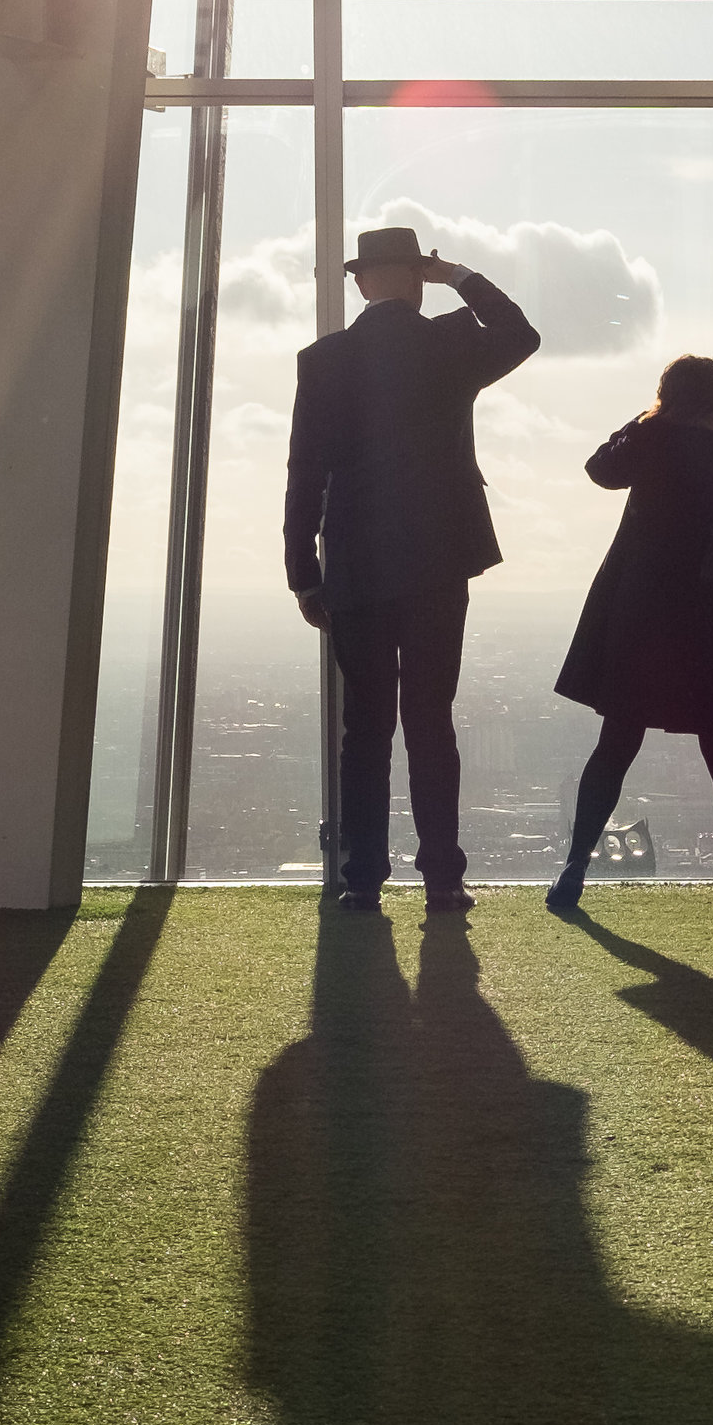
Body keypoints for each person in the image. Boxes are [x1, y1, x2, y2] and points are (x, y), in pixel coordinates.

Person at [285, 222, 540, 915]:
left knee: (363, 728)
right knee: (431, 720)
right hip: (436, 561)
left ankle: (362, 878)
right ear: (414, 278)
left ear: (368, 281)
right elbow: (521, 333)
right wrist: (457, 275)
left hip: (357, 564)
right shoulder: (450, 343)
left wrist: (303, 572)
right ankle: (442, 879)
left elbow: (304, 472)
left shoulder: (325, 359)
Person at [546, 354, 713, 916]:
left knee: (616, 745)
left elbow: (599, 468)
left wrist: (644, 419)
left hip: (644, 619)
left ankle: (575, 868)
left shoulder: (653, 441)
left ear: (666, 395)